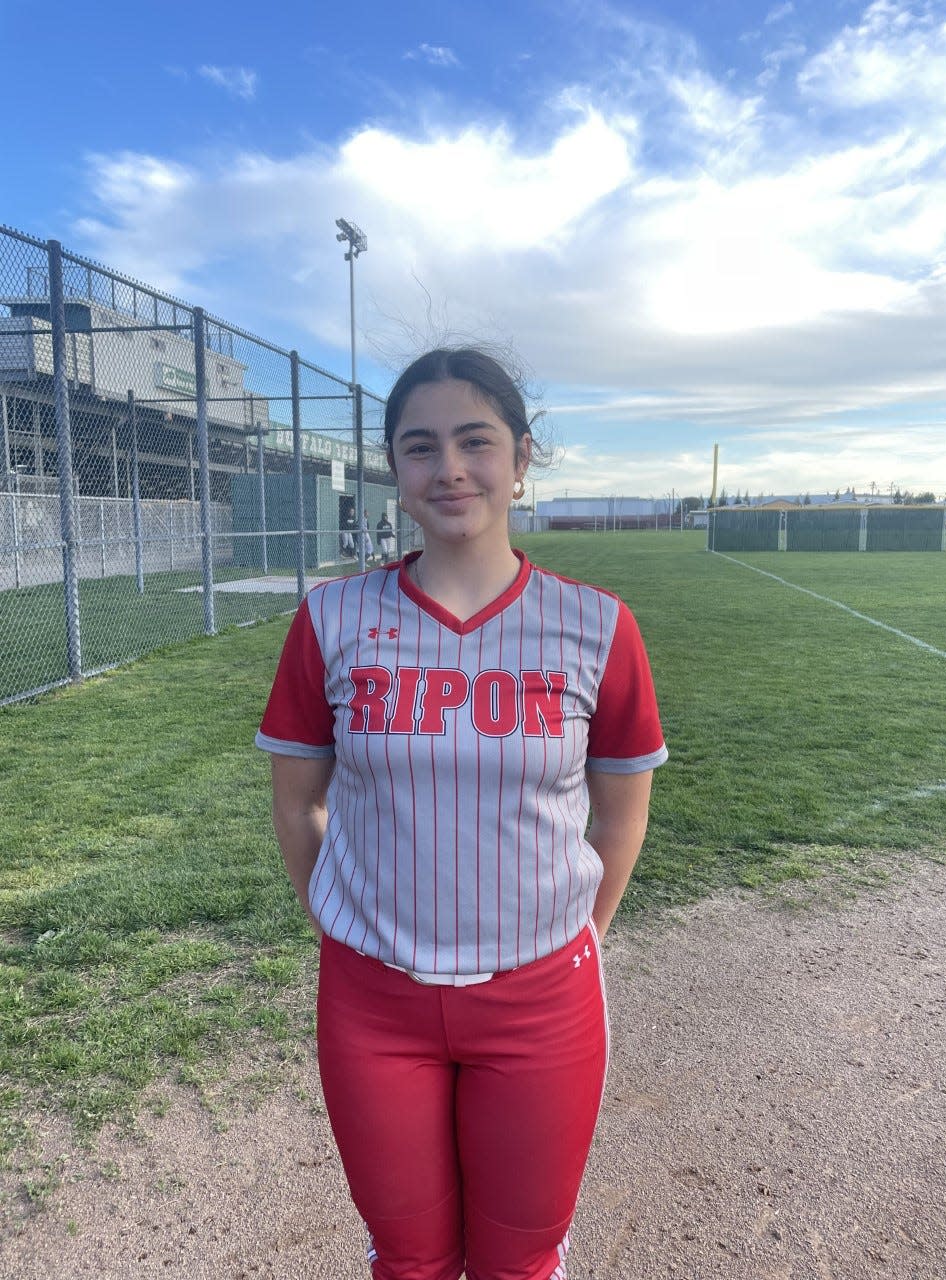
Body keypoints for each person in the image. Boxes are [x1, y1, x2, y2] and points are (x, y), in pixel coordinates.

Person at [256, 347, 667, 1280]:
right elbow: (297, 801)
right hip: (373, 1002)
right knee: (408, 1257)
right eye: (419, 447)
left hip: (541, 1000)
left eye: (474, 441)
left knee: (519, 1261)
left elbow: (621, 817)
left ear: (522, 459)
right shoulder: (333, 619)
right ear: (393, 473)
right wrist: (346, 920)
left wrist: (574, 940)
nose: (449, 468)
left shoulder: (597, 626)